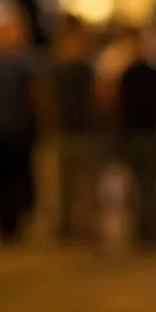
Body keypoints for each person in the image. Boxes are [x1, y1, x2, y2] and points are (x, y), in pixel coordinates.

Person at [0, 15, 41, 246]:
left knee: (17, 178)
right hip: (0, 130)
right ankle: (6, 226)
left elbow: (34, 96)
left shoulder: (21, 62)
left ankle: (16, 223)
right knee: (1, 180)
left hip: (16, 129)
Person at [113, 29, 156, 249]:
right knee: (142, 183)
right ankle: (146, 228)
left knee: (147, 183)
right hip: (138, 134)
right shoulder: (129, 74)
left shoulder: (148, 74)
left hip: (146, 133)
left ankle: (150, 228)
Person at [49, 19, 102, 242]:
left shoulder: (87, 69)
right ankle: (68, 224)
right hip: (66, 130)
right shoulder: (58, 69)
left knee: (86, 181)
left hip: (85, 130)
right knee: (65, 183)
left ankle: (87, 224)